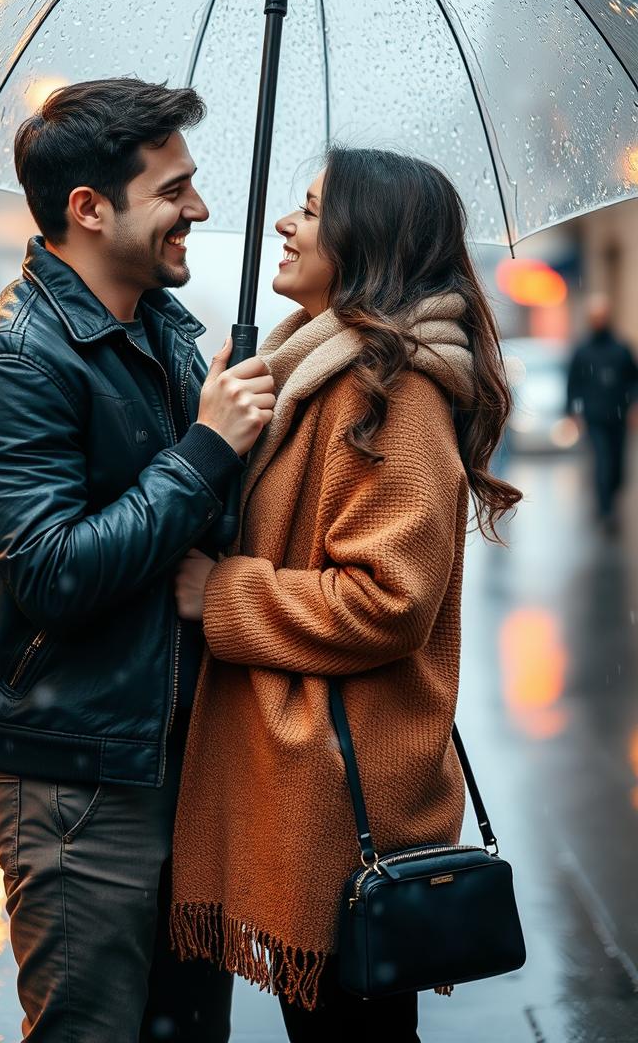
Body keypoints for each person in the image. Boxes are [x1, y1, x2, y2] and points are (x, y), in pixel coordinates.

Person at [0, 78, 276, 1043]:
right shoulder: (14, 359)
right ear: (88, 209)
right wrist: (206, 450)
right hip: (76, 778)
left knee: (186, 1032)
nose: (199, 211)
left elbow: (184, 534)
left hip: (172, 753)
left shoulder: (160, 334)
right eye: (173, 191)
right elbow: (51, 574)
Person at [171, 148, 521, 1042]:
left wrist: (224, 597)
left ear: (369, 240)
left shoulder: (392, 389)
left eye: (312, 208)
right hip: (311, 781)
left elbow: (388, 600)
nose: (286, 224)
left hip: (342, 793)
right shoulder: (304, 369)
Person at [566, 292, 638, 531]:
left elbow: (633, 379)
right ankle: (606, 509)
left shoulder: (621, 349)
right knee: (603, 462)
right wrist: (572, 412)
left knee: (618, 466)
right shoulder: (582, 351)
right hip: (594, 417)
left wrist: (633, 407)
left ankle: (610, 497)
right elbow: (573, 383)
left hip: (618, 415)